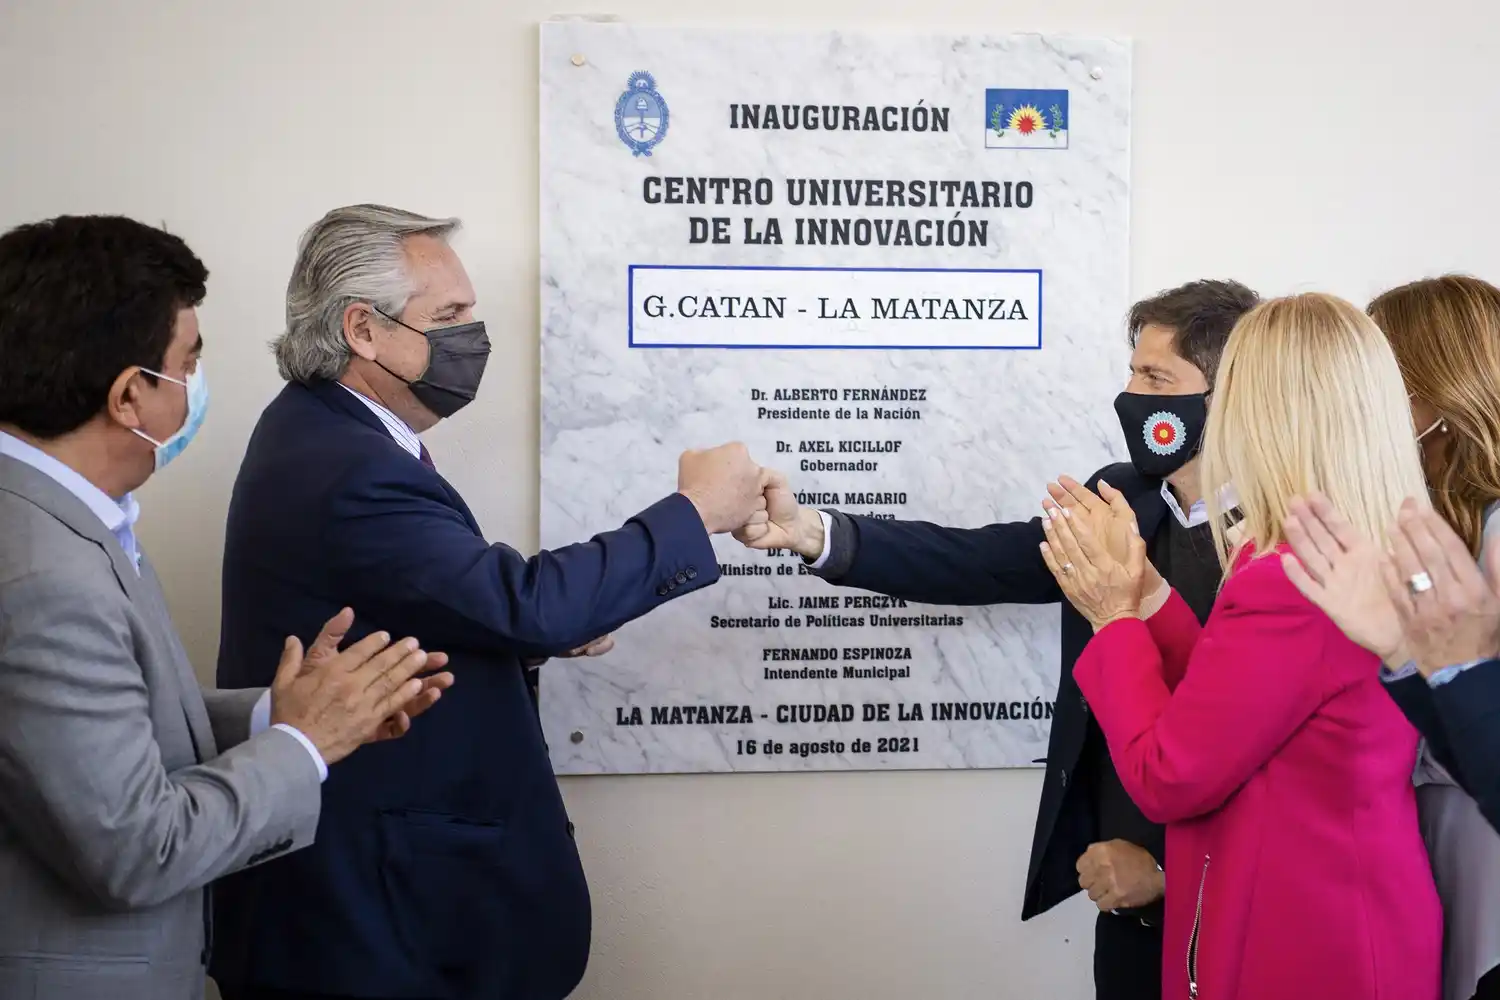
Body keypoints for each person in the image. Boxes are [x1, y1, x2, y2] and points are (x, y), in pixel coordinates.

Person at [210, 204, 769, 1000]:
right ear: (362, 330)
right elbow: (527, 600)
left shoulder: (329, 435)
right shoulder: (346, 463)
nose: (474, 337)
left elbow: (440, 602)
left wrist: (526, 637)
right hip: (373, 917)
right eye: (449, 316)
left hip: (382, 898)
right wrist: (697, 513)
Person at [738, 279, 1258, 1000]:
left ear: (1228, 394)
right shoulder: (1119, 501)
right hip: (1123, 900)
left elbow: (1274, 759)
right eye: (1132, 370)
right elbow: (976, 560)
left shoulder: (1288, 543)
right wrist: (812, 534)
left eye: (1155, 377)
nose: (1130, 394)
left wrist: (1167, 874)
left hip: (1238, 910)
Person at [0, 215, 453, 1000]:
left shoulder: (64, 519)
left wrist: (280, 711)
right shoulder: (45, 576)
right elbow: (139, 850)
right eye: (189, 360)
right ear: (129, 395)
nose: (199, 380)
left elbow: (96, 732)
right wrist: (306, 744)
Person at [1040, 292, 1441, 999]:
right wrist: (1147, 592)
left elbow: (1169, 773)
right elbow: (1238, 698)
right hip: (1346, 916)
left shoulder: (1286, 574)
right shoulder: (1342, 539)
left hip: (1300, 939)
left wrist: (1113, 618)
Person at [1280, 275, 1500, 1000]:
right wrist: (1403, 656)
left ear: (1432, 389)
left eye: (1379, 376)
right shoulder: (1441, 523)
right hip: (1444, 817)